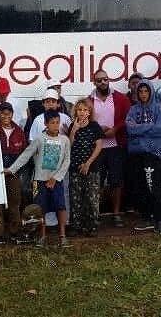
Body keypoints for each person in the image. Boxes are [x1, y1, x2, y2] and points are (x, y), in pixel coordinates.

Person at [5, 110, 72, 248]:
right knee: (40, 208)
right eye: (52, 123)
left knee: (60, 207)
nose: (55, 125)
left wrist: (56, 178)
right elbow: (26, 154)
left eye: (57, 122)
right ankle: (42, 236)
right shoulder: (39, 139)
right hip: (39, 180)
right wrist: (11, 169)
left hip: (56, 181)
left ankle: (62, 236)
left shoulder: (64, 140)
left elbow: (66, 161)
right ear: (46, 124)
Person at [87, 69, 131, 227]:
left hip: (115, 146)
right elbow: (85, 121)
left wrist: (116, 129)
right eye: (99, 80)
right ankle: (95, 214)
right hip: (96, 148)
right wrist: (98, 131)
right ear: (94, 82)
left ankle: (116, 213)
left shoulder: (120, 98)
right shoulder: (88, 100)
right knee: (96, 182)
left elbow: (128, 118)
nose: (103, 82)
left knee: (116, 182)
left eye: (105, 79)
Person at [126, 81, 161, 234]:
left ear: (150, 92)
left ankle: (158, 220)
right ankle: (147, 218)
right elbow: (130, 128)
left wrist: (140, 129)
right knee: (141, 187)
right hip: (137, 153)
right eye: (141, 91)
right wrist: (150, 126)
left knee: (153, 186)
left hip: (153, 153)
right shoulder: (133, 109)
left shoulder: (158, 108)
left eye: (146, 91)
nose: (143, 94)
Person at [0, 102, 27, 244]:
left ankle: (15, 232)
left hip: (14, 172)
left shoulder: (19, 131)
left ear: (12, 114)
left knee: (15, 202)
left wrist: (14, 169)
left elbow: (24, 153)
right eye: (3, 113)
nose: (5, 116)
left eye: (8, 113)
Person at [67, 98, 104, 236]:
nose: (82, 112)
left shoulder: (94, 126)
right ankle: (76, 225)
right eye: (79, 109)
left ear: (89, 112)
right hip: (75, 167)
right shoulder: (72, 125)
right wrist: (74, 130)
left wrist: (88, 163)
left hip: (91, 167)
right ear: (75, 111)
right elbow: (68, 146)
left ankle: (92, 226)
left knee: (91, 198)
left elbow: (99, 146)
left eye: (85, 110)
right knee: (76, 198)